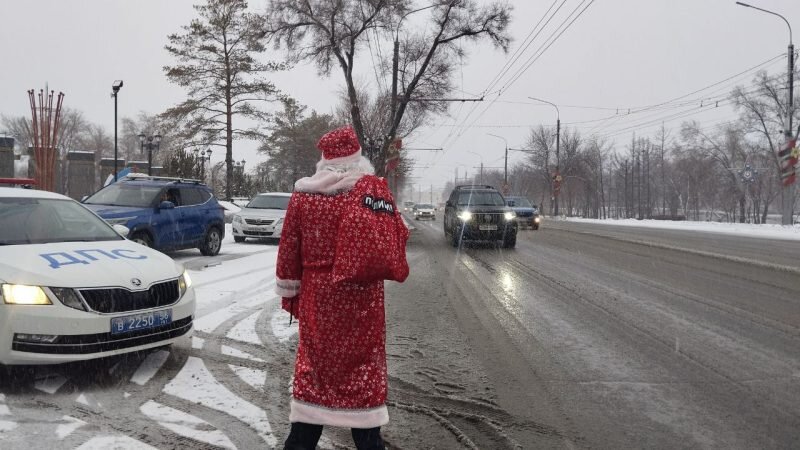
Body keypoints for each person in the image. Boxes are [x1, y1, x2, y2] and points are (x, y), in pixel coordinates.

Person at [276, 125, 407, 450]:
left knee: (316, 369)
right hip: (362, 296)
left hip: (319, 297)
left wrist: (290, 295)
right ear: (356, 158)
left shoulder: (304, 195)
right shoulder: (370, 191)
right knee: (362, 367)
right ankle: (367, 438)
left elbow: (289, 248)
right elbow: (394, 233)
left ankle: (302, 439)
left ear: (325, 160)